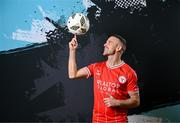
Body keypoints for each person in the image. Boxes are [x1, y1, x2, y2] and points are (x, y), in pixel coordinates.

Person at [68, 34, 140, 123]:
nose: (105, 44)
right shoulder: (96, 67)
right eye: (106, 42)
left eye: (109, 42)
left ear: (118, 48)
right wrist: (72, 50)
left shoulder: (129, 72)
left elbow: (136, 101)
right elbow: (73, 74)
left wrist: (117, 102)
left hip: (118, 121)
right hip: (97, 120)